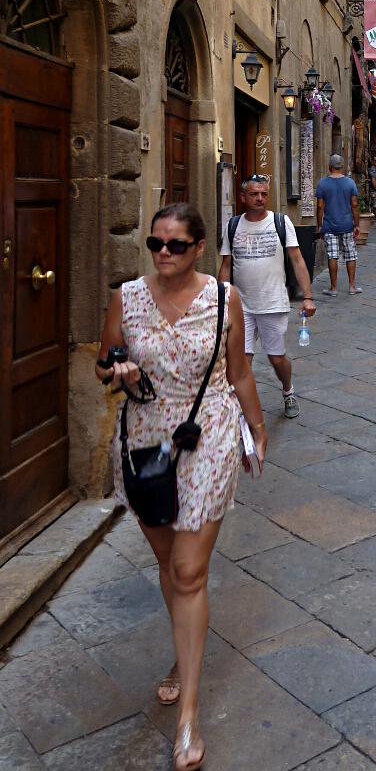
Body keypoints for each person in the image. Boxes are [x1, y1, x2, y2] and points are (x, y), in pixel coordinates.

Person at [99, 203, 266, 771]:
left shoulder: (225, 299)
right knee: (169, 565)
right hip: (145, 440)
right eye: (155, 244)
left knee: (190, 571)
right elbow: (105, 361)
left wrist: (257, 429)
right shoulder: (126, 296)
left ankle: (188, 714)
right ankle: (183, 653)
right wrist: (115, 372)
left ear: (199, 248)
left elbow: (239, 370)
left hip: (209, 433)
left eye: (174, 244)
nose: (162, 254)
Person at [218, 174, 315, 420]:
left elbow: (296, 259)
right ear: (243, 197)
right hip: (241, 306)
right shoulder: (233, 225)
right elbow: (226, 264)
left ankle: (288, 390)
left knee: (276, 357)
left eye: (263, 194)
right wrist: (220, 298)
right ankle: (242, 409)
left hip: (273, 302)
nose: (260, 198)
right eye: (254, 194)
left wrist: (308, 296)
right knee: (242, 360)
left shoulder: (280, 222)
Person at [315, 154, 362, 296]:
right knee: (350, 255)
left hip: (329, 225)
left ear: (330, 166)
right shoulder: (350, 183)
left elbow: (320, 206)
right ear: (342, 167)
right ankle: (352, 286)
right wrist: (357, 224)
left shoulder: (322, 183)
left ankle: (334, 288)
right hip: (347, 224)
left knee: (332, 256)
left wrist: (319, 225)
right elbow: (354, 204)